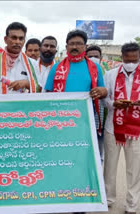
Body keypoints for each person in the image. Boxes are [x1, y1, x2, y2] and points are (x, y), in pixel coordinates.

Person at [45, 30, 107, 214]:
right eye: (71, 43)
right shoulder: (56, 68)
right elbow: (47, 94)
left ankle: (80, 204)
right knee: (60, 162)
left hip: (84, 126)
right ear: (66, 47)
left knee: (82, 164)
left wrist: (102, 91)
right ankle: (60, 198)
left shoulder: (95, 69)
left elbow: (103, 90)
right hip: (60, 126)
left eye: (78, 43)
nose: (74, 47)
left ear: (85, 47)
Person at [102, 42, 140, 214]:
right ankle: (108, 199)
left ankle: (132, 206)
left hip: (136, 130)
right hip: (113, 127)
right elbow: (104, 100)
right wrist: (113, 104)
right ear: (122, 57)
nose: (131, 63)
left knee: (135, 169)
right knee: (110, 167)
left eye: (135, 59)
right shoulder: (110, 75)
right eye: (128, 59)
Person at [0, 22, 41, 97]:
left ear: (24, 41)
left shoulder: (32, 63)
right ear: (5, 39)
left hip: (22, 107)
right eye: (14, 38)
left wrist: (27, 83)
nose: (17, 42)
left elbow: (40, 89)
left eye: (21, 39)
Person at [86, 45, 107, 164]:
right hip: (85, 119)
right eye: (90, 56)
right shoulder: (84, 72)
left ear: (101, 58)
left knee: (99, 153)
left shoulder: (107, 74)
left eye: (96, 56)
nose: (93, 58)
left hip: (101, 120)